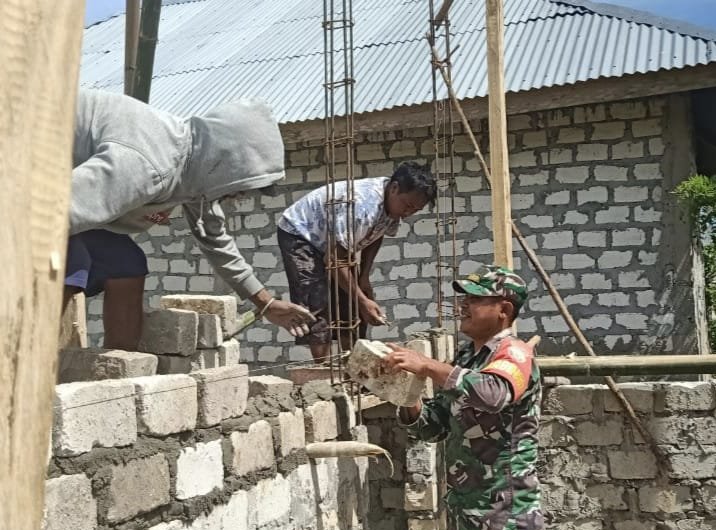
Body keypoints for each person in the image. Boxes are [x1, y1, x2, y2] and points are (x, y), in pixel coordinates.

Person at [66, 89, 314, 350]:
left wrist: (266, 304)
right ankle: (26, 367)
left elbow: (217, 243)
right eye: (242, 185)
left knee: (126, 263)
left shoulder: (194, 177)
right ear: (225, 163)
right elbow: (56, 213)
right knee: (70, 262)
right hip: (35, 180)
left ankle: (117, 372)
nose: (239, 196)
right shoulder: (150, 163)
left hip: (68, 198)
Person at [384, 266, 544, 530]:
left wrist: (428, 365)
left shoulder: (514, 354)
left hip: (505, 519)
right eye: (464, 298)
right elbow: (434, 427)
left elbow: (493, 394)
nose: (463, 306)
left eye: (476, 299)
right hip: (474, 517)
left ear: (504, 310)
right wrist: (403, 393)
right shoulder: (468, 359)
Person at [277, 161, 437, 360]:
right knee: (316, 301)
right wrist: (362, 300)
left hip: (336, 240)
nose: (408, 213)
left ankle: (352, 363)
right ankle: (322, 369)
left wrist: (363, 278)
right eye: (408, 205)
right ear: (394, 188)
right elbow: (335, 259)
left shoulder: (392, 204)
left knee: (351, 304)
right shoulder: (363, 207)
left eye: (415, 209)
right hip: (301, 233)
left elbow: (376, 234)